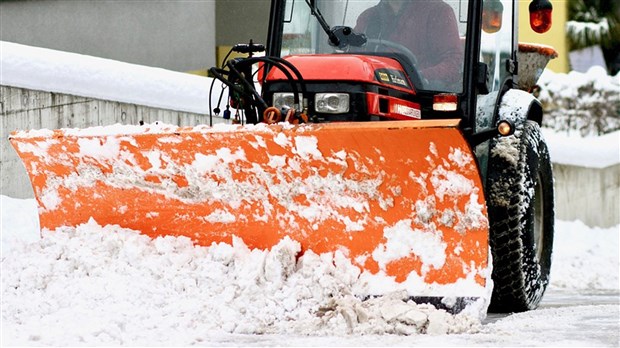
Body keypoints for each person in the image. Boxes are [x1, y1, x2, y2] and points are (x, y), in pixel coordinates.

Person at [354, 0, 464, 90]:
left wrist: (416, 77)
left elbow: (453, 63)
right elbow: (354, 60)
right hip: (373, 93)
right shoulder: (368, 18)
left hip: (420, 99)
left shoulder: (437, 12)